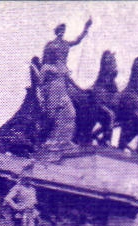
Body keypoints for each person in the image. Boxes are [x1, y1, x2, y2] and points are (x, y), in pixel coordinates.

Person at [37, 19, 92, 148]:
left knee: (71, 113)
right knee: (52, 116)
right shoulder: (48, 62)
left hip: (63, 90)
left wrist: (86, 28)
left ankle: (64, 140)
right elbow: (40, 82)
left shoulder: (64, 62)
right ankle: (48, 139)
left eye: (64, 30)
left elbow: (77, 41)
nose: (62, 54)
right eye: (60, 30)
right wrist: (43, 91)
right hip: (53, 91)